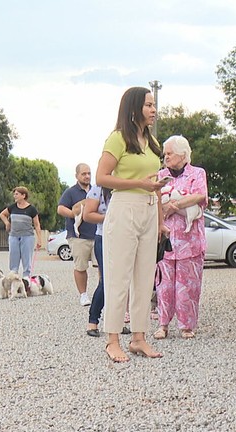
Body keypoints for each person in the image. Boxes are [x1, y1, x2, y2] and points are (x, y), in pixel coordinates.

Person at [95, 86, 169, 363]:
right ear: (135, 107)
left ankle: (139, 338)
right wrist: (139, 183)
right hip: (125, 207)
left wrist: (161, 220)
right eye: (149, 105)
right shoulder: (117, 139)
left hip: (149, 210)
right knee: (119, 276)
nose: (153, 109)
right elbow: (102, 177)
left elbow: (155, 184)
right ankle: (112, 340)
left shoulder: (151, 142)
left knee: (144, 277)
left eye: (153, 105)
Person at [152, 135, 209, 341]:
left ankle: (187, 325)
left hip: (189, 241)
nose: (165, 157)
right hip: (165, 241)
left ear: (183, 154)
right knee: (164, 285)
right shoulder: (160, 175)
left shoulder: (197, 173)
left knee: (188, 285)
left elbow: (200, 195)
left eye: (169, 153)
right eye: (164, 153)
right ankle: (163, 324)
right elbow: (153, 200)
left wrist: (174, 206)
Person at [82, 183, 132, 337]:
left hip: (126, 237)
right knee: (107, 281)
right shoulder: (97, 189)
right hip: (104, 237)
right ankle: (93, 321)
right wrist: (110, 217)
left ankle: (116, 322)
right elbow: (87, 214)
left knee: (122, 282)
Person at [58, 163, 98, 306]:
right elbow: (60, 208)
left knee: (101, 266)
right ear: (77, 176)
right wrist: (75, 215)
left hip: (97, 234)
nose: (87, 176)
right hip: (78, 236)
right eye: (83, 174)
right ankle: (83, 295)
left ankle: (102, 294)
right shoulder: (70, 192)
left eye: (89, 173)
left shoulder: (96, 190)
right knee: (80, 267)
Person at [0, 186, 44, 278]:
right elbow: (2, 214)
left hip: (27, 237)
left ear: (23, 195)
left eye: (17, 194)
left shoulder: (31, 209)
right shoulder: (12, 207)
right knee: (13, 260)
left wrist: (39, 239)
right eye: (14, 194)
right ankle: (13, 279)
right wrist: (7, 223)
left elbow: (37, 224)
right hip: (14, 236)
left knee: (26, 260)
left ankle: (26, 281)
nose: (14, 196)